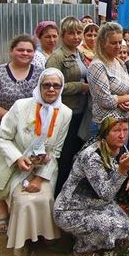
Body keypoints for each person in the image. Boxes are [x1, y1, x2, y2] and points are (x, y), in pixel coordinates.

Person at [0, 68, 72, 256]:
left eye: (56, 86)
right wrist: (18, 158)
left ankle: (48, 236)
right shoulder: (21, 106)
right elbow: (2, 138)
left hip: (45, 167)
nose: (51, 89)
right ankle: (21, 240)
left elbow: (56, 151)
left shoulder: (65, 112)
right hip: (17, 164)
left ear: (61, 88)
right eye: (47, 85)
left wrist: (40, 179)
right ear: (39, 85)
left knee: (45, 197)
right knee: (22, 200)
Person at [0, 34, 43, 232]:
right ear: (11, 51)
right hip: (0, 130)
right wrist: (13, 118)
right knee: (1, 167)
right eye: (20, 49)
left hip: (30, 132)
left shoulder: (41, 73)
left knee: (26, 168)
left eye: (29, 50)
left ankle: (20, 207)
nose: (25, 53)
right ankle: (2, 209)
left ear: (34, 53)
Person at [53, 117, 129, 254]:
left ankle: (85, 237)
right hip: (71, 209)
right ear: (105, 133)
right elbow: (106, 194)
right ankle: (82, 249)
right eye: (116, 130)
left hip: (95, 203)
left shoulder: (118, 145)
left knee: (126, 225)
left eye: (125, 130)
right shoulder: (91, 157)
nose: (122, 135)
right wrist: (122, 170)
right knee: (118, 227)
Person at [46, 17, 91, 197]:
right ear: (63, 35)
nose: (76, 36)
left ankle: (71, 194)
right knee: (63, 156)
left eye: (79, 32)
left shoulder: (79, 53)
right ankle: (57, 195)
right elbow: (51, 87)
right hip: (64, 112)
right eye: (71, 33)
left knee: (74, 153)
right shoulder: (56, 57)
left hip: (80, 110)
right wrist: (80, 87)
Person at [87, 23, 129, 135]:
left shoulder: (118, 61)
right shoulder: (97, 65)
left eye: (120, 42)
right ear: (102, 43)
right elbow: (106, 101)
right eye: (113, 43)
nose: (118, 46)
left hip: (123, 124)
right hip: (105, 126)